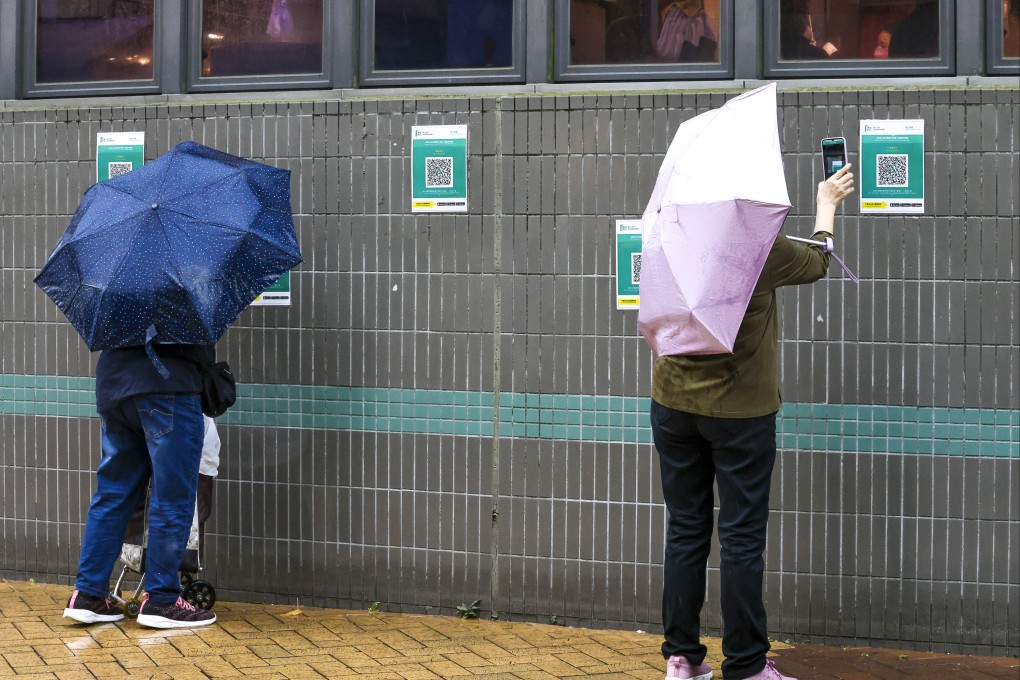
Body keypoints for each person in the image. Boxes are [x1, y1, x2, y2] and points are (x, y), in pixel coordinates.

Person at [652, 164, 856, 680]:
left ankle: (682, 658)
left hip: (672, 403)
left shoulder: (668, 230)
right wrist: (826, 205)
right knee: (741, 538)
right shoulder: (759, 245)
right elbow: (817, 260)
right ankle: (745, 666)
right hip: (740, 413)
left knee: (685, 530)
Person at [62, 343, 218, 629]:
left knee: (113, 493)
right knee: (172, 496)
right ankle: (162, 600)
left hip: (115, 387)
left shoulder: (116, 310)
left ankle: (88, 595)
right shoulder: (184, 311)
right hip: (169, 385)